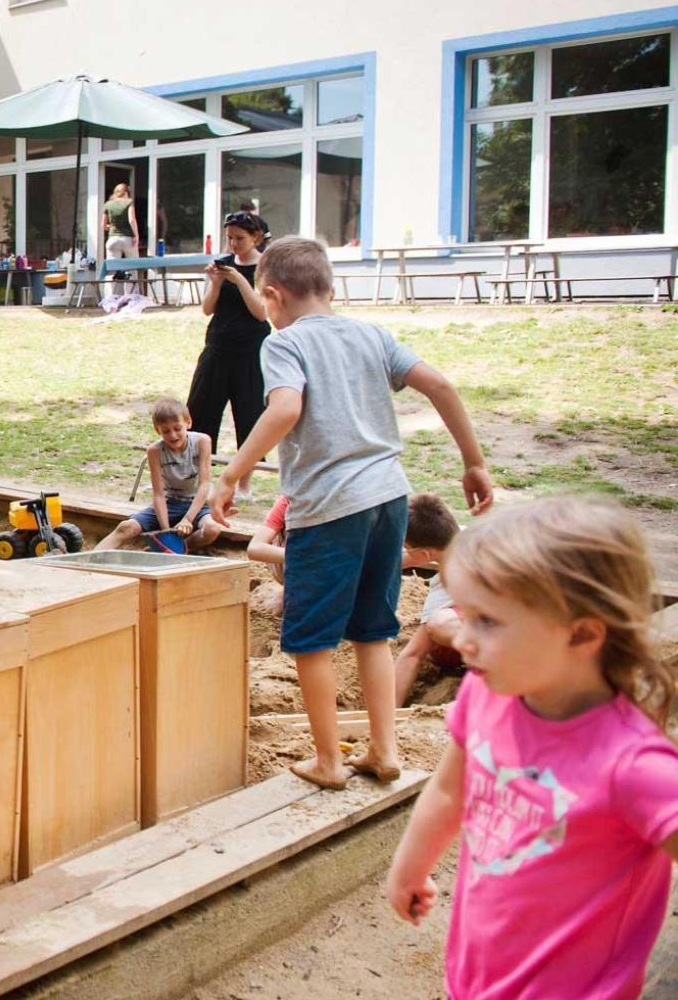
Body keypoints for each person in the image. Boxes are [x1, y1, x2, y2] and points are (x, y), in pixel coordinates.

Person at [211, 237, 493, 790]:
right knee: (372, 630)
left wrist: (230, 472)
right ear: (330, 289)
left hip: (329, 507)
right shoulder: (371, 334)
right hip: (390, 499)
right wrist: (474, 462)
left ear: (271, 295)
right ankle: (384, 752)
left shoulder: (283, 343)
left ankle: (329, 760)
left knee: (311, 638)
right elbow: (439, 383)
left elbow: (286, 408)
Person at [384, 498, 678, 1000]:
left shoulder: (634, 767)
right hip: (477, 974)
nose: (464, 642)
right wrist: (409, 868)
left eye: (488, 622)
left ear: (582, 634)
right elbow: (450, 793)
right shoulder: (485, 695)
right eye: (465, 616)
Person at [187, 212, 272, 497]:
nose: (234, 244)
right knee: (200, 408)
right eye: (230, 238)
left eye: (240, 238)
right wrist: (217, 282)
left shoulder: (266, 267)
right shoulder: (223, 265)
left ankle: (244, 485)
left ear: (256, 237)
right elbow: (207, 309)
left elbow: (261, 312)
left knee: (248, 413)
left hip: (250, 349)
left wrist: (239, 281)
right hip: (218, 345)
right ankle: (195, 479)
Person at [98, 398, 220, 552]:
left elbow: (205, 484)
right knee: (126, 527)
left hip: (198, 503)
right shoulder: (155, 451)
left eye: (177, 428)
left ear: (188, 423)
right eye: (166, 431)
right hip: (171, 502)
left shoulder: (202, 441)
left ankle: (178, 548)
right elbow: (159, 494)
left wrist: (188, 519)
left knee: (212, 529)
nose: (173, 435)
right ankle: (86, 561)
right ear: (158, 430)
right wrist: (165, 530)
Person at [392, 492, 464, 707]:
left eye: (405, 546)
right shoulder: (465, 538)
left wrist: (388, 715)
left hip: (517, 642)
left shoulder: (450, 578)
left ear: (424, 555)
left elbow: (412, 656)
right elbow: (403, 560)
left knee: (439, 626)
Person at [246, 493, 292, 616]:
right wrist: (305, 556)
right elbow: (255, 548)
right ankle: (289, 588)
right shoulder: (288, 500)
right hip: (300, 561)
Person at [102, 182, 141, 295]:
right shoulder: (129, 202)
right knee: (132, 268)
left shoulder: (108, 204)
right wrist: (136, 235)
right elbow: (131, 220)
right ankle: (131, 296)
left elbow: (103, 225)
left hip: (112, 240)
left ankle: (109, 297)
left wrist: (112, 227)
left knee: (111, 270)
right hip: (127, 238)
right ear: (126, 192)